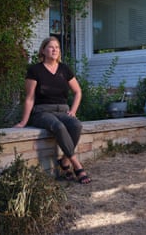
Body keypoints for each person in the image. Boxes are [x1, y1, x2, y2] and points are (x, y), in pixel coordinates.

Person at [14, 36, 91, 184]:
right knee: (58, 126)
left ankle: (64, 160)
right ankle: (77, 165)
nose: (54, 50)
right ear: (43, 50)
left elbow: (78, 92)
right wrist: (24, 121)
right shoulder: (34, 70)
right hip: (42, 112)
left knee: (76, 125)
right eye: (51, 47)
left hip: (63, 110)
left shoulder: (64, 69)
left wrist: (73, 111)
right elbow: (29, 97)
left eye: (57, 47)